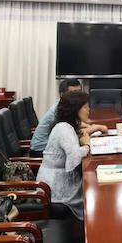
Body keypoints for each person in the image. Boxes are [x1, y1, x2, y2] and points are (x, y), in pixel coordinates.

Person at [36, 90, 91, 220]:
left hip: (58, 178)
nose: (89, 110)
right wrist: (87, 146)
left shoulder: (66, 125)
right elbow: (74, 157)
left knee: (91, 187)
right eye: (85, 107)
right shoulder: (63, 128)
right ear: (75, 110)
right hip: (54, 188)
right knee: (91, 193)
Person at [30, 79, 107, 157]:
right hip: (41, 150)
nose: (78, 97)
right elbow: (73, 134)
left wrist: (89, 126)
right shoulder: (58, 110)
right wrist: (94, 128)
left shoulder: (66, 107)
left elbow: (75, 125)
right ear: (62, 94)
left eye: (79, 92)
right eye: (73, 93)